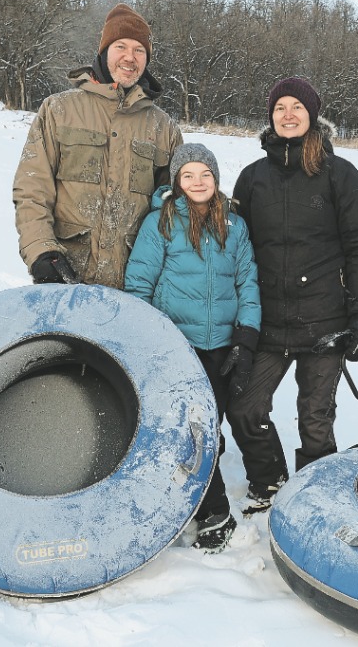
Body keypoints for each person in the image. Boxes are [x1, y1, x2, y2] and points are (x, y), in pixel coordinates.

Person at [227, 77, 358, 516]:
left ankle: (313, 502)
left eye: (297, 106)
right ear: (270, 116)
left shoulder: (341, 174)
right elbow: (235, 251)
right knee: (245, 409)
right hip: (268, 324)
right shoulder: (252, 178)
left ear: (312, 115)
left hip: (325, 324)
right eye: (280, 108)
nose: (288, 114)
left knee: (315, 419)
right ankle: (270, 485)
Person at [124, 143, 261, 553]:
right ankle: (213, 512)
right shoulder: (160, 224)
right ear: (177, 183)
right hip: (176, 347)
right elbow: (139, 286)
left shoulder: (235, 226)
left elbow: (248, 285)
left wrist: (246, 339)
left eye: (205, 174)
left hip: (221, 346)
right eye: (188, 176)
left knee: (210, 429)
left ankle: (199, 498)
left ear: (216, 179)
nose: (197, 182)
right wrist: (150, 342)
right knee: (189, 428)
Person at [13, 3, 183, 288]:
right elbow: (32, 187)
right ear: (104, 51)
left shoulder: (164, 128)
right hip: (65, 277)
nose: (130, 58)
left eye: (139, 50)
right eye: (121, 47)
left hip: (134, 285)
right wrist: (41, 249)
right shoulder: (59, 110)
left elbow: (176, 210)